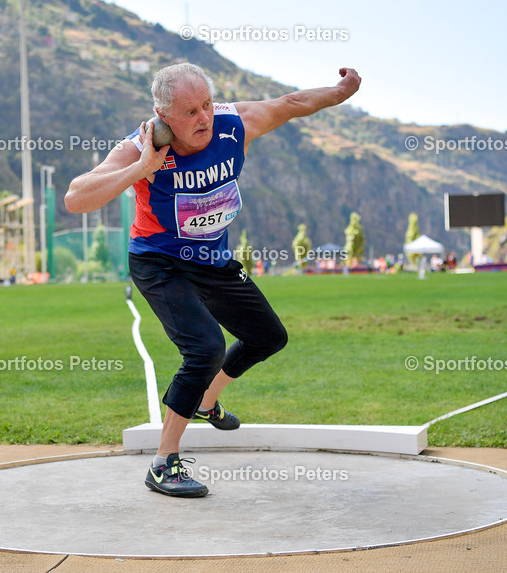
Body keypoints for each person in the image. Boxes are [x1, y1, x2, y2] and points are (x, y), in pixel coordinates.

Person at [65, 62, 361, 497]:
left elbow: (291, 104)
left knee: (267, 336)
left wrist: (339, 92)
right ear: (163, 117)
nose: (203, 118)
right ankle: (163, 464)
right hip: (159, 262)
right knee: (204, 348)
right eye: (189, 112)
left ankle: (207, 401)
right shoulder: (139, 148)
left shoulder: (231, 125)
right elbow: (76, 198)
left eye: (206, 105)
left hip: (211, 258)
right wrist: (143, 167)